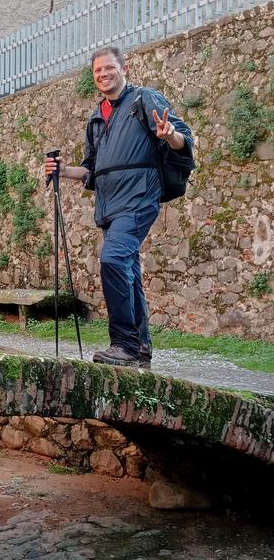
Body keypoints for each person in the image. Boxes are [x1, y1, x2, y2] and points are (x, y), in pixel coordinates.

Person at [44, 45, 193, 368]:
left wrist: (170, 137)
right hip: (109, 206)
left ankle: (123, 343)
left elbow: (182, 139)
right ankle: (140, 346)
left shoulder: (144, 100)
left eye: (109, 68)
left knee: (112, 259)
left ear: (124, 68)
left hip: (140, 198)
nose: (103, 74)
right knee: (128, 271)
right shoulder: (97, 119)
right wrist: (63, 171)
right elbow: (91, 171)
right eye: (98, 71)